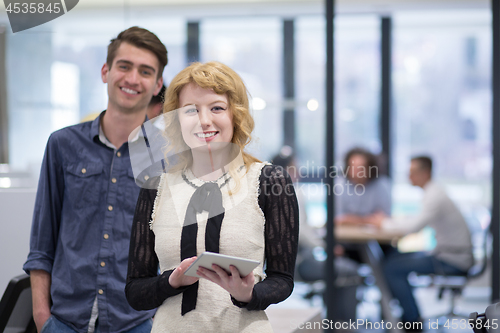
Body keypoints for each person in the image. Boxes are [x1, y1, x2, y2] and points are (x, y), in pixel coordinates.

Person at [125, 61, 299, 333]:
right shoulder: (155, 187)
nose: (204, 120)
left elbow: (283, 280)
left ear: (235, 115)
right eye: (191, 110)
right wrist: (171, 281)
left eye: (217, 108)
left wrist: (248, 294)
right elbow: (135, 290)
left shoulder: (268, 180)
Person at [23, 27, 167, 333]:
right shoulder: (62, 145)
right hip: (63, 322)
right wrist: (41, 317)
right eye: (124, 66)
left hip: (137, 323)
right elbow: (42, 239)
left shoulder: (167, 155)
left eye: (145, 71)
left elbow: (172, 248)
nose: (132, 79)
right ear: (106, 71)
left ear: (157, 85)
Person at [373, 156, 473, 331]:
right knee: (393, 257)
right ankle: (404, 314)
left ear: (425, 173)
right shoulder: (433, 192)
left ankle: (412, 321)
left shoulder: (435, 196)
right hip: (446, 252)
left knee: (391, 267)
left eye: (412, 172)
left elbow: (412, 228)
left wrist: (382, 222)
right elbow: (416, 221)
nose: (408, 177)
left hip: (452, 259)